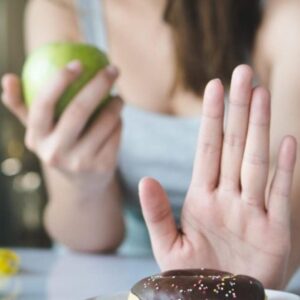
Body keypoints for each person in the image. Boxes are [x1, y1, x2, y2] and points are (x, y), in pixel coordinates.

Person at [1, 0, 300, 290]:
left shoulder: (286, 17)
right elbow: (92, 241)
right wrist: (84, 183)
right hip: (115, 282)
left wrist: (240, 282)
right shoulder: (61, 8)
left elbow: (289, 223)